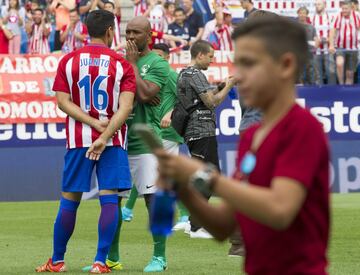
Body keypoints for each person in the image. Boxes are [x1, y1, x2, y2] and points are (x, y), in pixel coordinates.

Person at [155, 15, 330, 275]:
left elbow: (280, 210)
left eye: (249, 65)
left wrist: (207, 178)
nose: (238, 77)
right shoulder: (250, 135)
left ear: (285, 65)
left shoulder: (302, 129)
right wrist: (182, 187)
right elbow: (224, 225)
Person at [35, 9, 136, 274]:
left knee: (70, 199)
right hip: (112, 140)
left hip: (79, 140)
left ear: (87, 31)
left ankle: (57, 261)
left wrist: (91, 125)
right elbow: (125, 109)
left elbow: (61, 102)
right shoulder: (122, 64)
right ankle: (100, 262)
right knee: (109, 199)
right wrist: (103, 135)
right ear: (110, 32)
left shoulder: (68, 60)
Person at [113, 16, 171, 273]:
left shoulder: (158, 63)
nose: (130, 37)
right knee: (111, 202)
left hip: (146, 143)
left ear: (149, 36)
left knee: (152, 201)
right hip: (118, 141)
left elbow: (148, 94)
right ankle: (111, 257)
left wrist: (133, 65)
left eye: (136, 32)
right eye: (127, 32)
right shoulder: (116, 61)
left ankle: (159, 257)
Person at [177, 40, 238, 238]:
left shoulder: (184, 73)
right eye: (210, 56)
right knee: (210, 177)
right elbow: (211, 102)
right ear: (200, 55)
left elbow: (200, 98)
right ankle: (196, 226)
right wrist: (228, 87)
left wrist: (220, 85)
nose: (212, 61)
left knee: (202, 177)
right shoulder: (196, 74)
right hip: (202, 130)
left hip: (193, 132)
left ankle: (192, 222)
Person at [329, 0, 360, 84]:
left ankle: (347, 92)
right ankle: (341, 84)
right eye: (342, 8)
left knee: (349, 74)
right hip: (340, 47)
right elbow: (332, 31)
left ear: (351, 8)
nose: (344, 10)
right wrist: (331, 45)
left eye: (346, 9)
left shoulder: (357, 16)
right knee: (339, 64)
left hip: (353, 48)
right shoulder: (338, 16)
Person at [312, 0, 336, 84]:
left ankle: (333, 91)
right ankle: (319, 92)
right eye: (316, 4)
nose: (317, 6)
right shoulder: (312, 17)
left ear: (324, 5)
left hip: (328, 49)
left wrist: (331, 44)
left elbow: (332, 32)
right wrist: (316, 42)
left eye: (319, 4)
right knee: (318, 73)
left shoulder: (330, 17)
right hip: (316, 50)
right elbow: (311, 32)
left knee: (331, 72)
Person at [297, 6, 320, 85]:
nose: (302, 15)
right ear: (298, 14)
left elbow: (316, 38)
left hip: (310, 53)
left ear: (307, 15)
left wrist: (317, 42)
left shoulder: (311, 27)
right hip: (298, 53)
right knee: (298, 73)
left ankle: (311, 88)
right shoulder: (294, 26)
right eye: (300, 13)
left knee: (311, 73)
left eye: (304, 13)